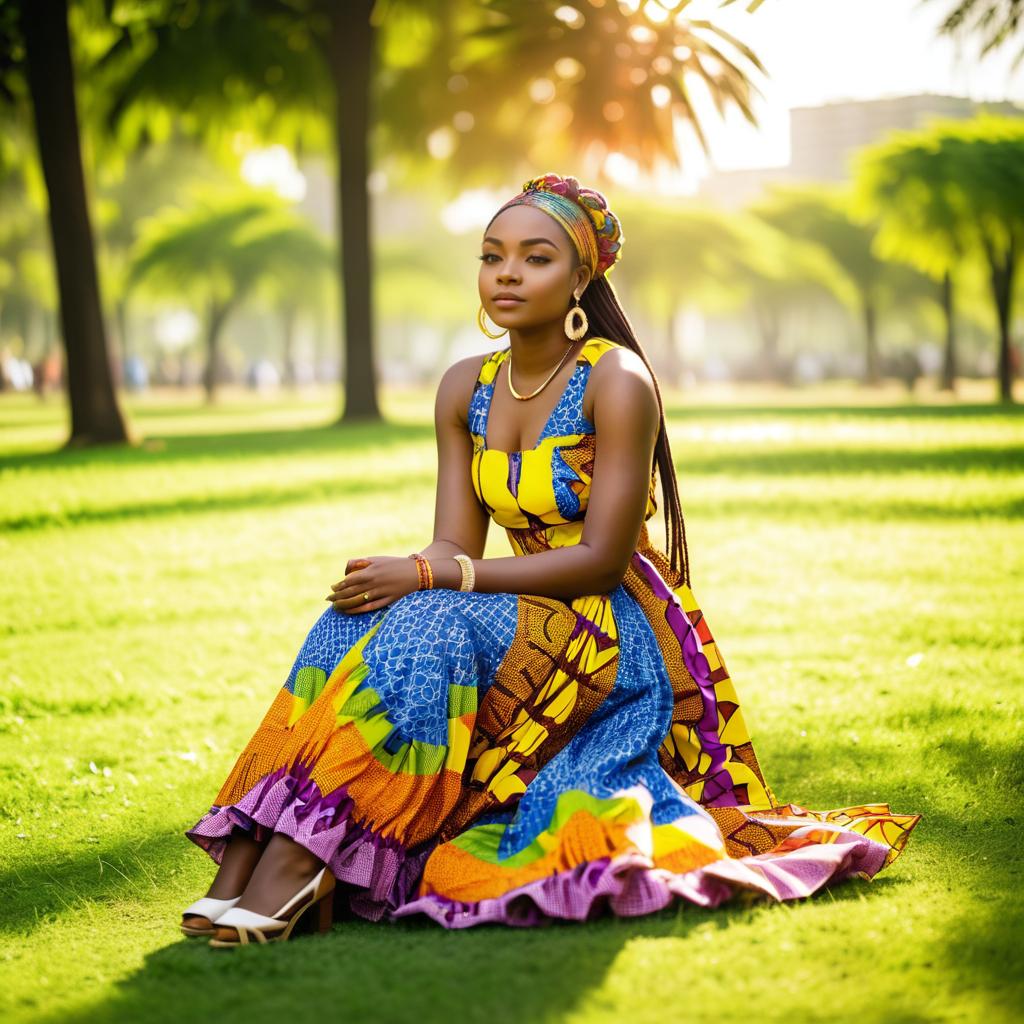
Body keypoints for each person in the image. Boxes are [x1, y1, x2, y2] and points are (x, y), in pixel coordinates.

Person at [182, 173, 921, 946]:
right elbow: (454, 546)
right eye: (492, 256)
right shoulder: (465, 387)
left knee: (431, 612)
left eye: (535, 259)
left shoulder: (616, 379)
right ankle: (241, 859)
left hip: (610, 631)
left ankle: (297, 866)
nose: (507, 273)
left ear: (580, 276)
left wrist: (437, 578)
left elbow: (599, 561)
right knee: (348, 619)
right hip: (520, 612)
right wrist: (405, 571)